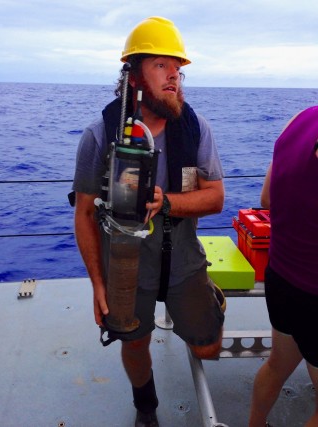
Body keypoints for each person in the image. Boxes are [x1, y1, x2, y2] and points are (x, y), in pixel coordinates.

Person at [72, 16, 225, 427]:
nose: (174, 75)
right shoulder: (100, 134)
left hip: (183, 257)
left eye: (177, 67)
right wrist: (98, 284)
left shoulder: (196, 130)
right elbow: (84, 213)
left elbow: (216, 197)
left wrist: (169, 201)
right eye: (161, 65)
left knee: (208, 348)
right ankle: (146, 407)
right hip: (125, 261)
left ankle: (206, 297)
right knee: (134, 341)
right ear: (134, 76)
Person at [249, 106, 318, 427]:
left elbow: (266, 198)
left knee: (277, 366)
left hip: (281, 278)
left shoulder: (298, 119)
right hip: (314, 293)